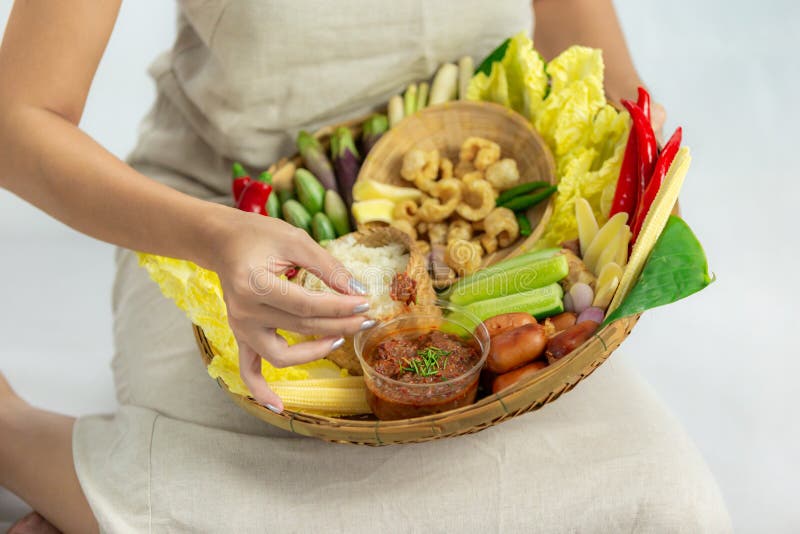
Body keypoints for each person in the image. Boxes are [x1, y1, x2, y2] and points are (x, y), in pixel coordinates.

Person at [0, 1, 728, 532]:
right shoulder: (213, 229)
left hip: (472, 253)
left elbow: (597, 59)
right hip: (212, 222)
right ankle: (9, 430)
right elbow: (17, 119)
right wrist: (217, 238)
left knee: (664, 503)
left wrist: (639, 166)